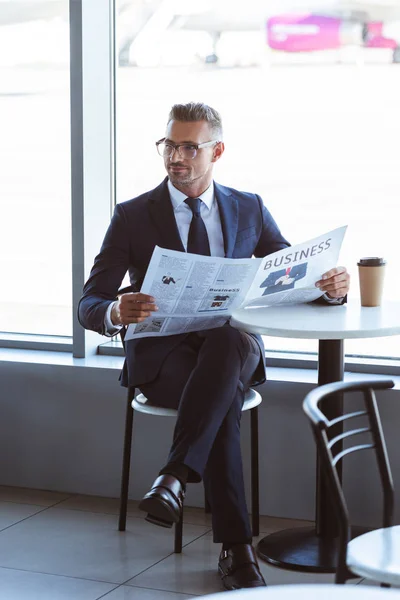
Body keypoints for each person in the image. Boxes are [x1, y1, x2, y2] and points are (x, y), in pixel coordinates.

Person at [78, 102, 350, 590]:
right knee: (221, 399)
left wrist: (332, 288)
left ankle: (176, 478)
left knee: (228, 343)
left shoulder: (248, 207)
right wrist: (118, 311)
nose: (174, 158)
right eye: (168, 146)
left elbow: (289, 280)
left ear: (217, 151)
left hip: (230, 352)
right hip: (164, 361)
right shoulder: (134, 215)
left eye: (188, 147)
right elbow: (90, 300)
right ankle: (235, 547)